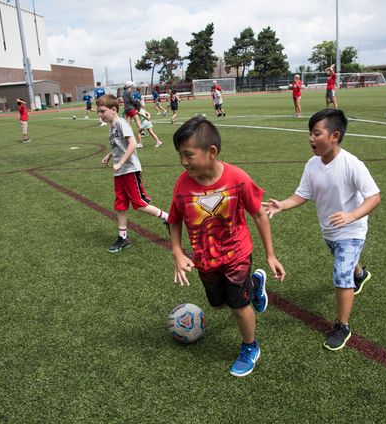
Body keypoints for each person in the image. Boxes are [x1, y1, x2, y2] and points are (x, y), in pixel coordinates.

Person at [168, 116, 286, 377]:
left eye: (188, 155)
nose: (183, 162)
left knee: (238, 306)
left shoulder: (237, 178)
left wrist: (270, 254)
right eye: (180, 155)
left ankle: (249, 347)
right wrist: (177, 252)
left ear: (211, 152)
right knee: (218, 304)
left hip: (237, 255)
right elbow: (174, 220)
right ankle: (255, 285)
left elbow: (258, 215)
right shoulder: (182, 185)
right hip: (205, 260)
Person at [262, 109, 381, 351]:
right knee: (343, 261)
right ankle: (360, 274)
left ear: (335, 136)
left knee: (340, 274)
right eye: (310, 133)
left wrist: (352, 215)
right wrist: (282, 205)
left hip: (352, 229)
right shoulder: (313, 164)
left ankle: (342, 326)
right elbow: (302, 195)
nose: (311, 138)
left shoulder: (352, 164)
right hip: (330, 230)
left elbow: (374, 197)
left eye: (317, 133)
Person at [96, 94, 170, 253]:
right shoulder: (112, 126)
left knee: (139, 204)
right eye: (98, 112)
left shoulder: (121, 123)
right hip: (119, 172)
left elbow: (133, 144)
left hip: (129, 170)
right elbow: (119, 146)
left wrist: (121, 162)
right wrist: (109, 155)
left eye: (102, 111)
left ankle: (168, 217)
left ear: (113, 109)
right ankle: (123, 237)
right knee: (120, 204)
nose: (100, 115)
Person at [122, 81, 144, 146]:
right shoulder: (129, 91)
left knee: (128, 123)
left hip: (126, 109)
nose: (132, 86)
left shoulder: (124, 92)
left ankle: (128, 135)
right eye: (132, 85)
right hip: (131, 108)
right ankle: (141, 131)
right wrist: (136, 102)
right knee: (137, 120)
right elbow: (132, 100)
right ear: (129, 85)